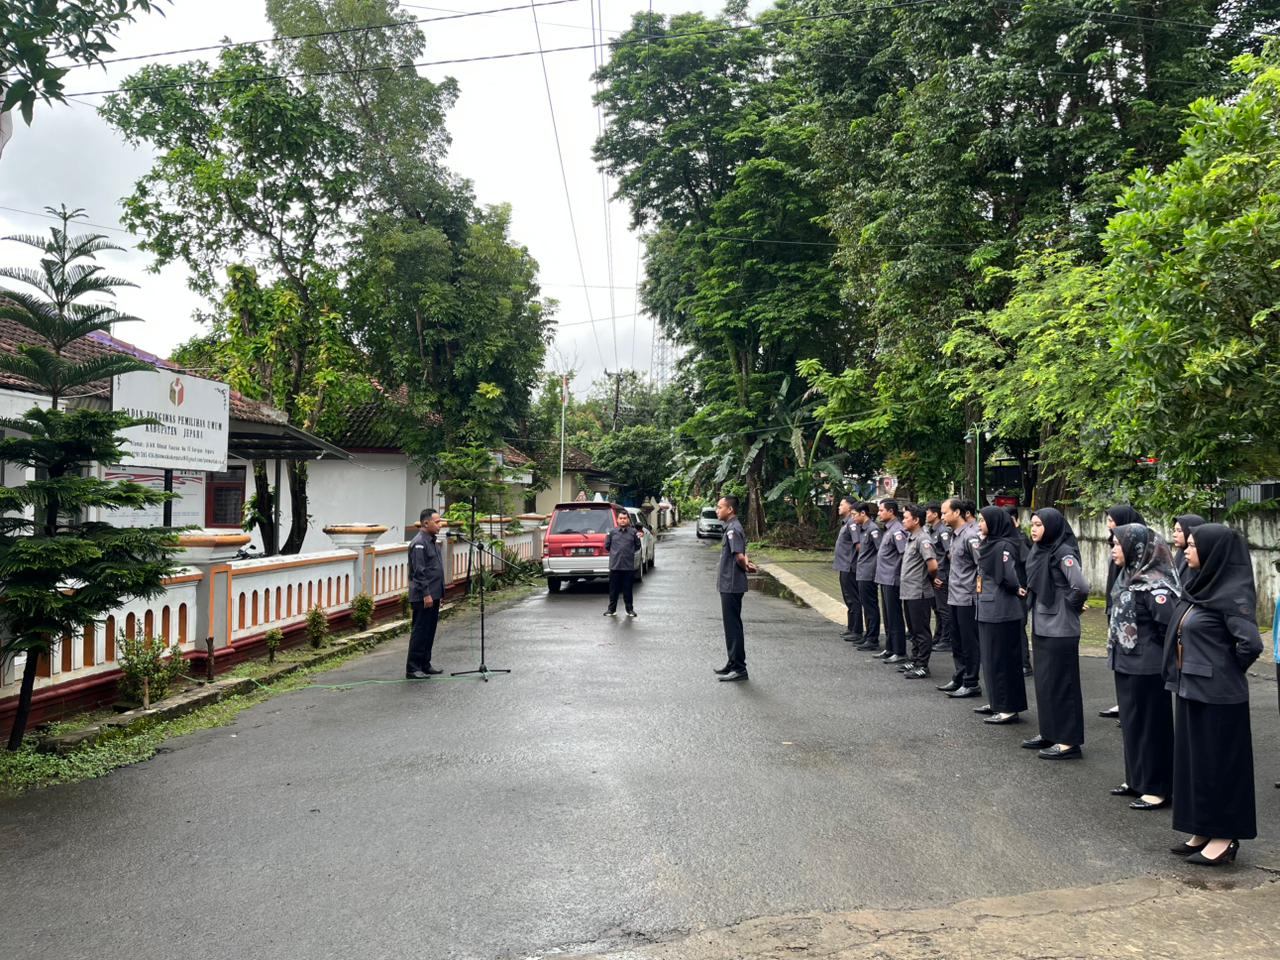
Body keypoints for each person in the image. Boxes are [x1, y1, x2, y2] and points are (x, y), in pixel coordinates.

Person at [1166, 523, 1262, 864]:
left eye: (1192, 545)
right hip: (1193, 689)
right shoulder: (1200, 588)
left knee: (1220, 767)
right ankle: (1201, 828)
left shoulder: (1232, 594)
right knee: (1196, 767)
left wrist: (1222, 669)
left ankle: (1224, 837)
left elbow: (1250, 644)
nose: (1186, 550)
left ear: (1212, 552)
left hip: (1220, 695)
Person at [1106, 523, 1179, 806]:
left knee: (1151, 727)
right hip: (1125, 663)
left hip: (1147, 667)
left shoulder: (1156, 585)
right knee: (1133, 724)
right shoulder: (1128, 577)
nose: (1113, 550)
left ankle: (1157, 787)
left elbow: (1169, 628)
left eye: (1116, 544)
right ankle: (1136, 779)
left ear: (1135, 549)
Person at [1023, 508, 1088, 759]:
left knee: (1063, 685)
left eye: (1039, 524)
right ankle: (1049, 732)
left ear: (1051, 526)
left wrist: (1068, 604)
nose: (1034, 529)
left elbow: (1081, 586)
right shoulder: (1040, 551)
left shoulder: (1063, 551)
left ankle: (1069, 742)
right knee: (1046, 684)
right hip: (1042, 625)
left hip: (1061, 628)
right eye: (1033, 524)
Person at [974, 506, 1028, 725]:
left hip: (1001, 610)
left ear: (995, 522)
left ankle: (1008, 707)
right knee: (989, 659)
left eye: (982, 521)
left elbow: (1008, 576)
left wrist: (1016, 589)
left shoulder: (1004, 545)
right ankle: (996, 700)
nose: (979, 525)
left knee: (1003, 659)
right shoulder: (990, 544)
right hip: (987, 608)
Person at [1099, 504, 1146, 719]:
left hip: (1132, 613)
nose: (1109, 525)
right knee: (1118, 657)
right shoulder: (1117, 544)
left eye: (1111, 520)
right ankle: (1123, 703)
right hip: (1115, 606)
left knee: (1131, 659)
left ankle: (1131, 706)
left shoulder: (1137, 545)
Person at [938, 497, 983, 699]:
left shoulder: (971, 536)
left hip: (967, 597)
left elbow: (982, 566)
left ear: (957, 513)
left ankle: (971, 682)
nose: (942, 516)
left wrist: (978, 592)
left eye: (945, 512)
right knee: (956, 640)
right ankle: (959, 676)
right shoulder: (954, 535)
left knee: (969, 642)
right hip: (954, 595)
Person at [713, 495, 758, 682]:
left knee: (733, 627)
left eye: (719, 507)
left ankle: (739, 668)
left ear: (730, 509)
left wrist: (746, 566)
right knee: (730, 626)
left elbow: (739, 556)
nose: (717, 510)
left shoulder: (733, 529)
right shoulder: (732, 527)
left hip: (731, 584)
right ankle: (732, 663)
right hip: (728, 584)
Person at [899, 503, 939, 678]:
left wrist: (930, 579)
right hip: (908, 591)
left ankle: (923, 665)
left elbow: (933, 565)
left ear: (916, 520)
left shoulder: (923, 539)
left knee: (921, 629)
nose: (903, 520)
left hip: (919, 592)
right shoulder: (912, 538)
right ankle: (915, 660)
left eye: (906, 518)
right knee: (913, 629)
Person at [406, 507, 446, 679]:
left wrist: (438, 594)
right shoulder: (419, 543)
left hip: (433, 594)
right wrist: (426, 594)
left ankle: (425, 663)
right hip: (424, 595)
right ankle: (413, 668)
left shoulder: (431, 541)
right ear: (425, 523)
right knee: (420, 631)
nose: (440, 525)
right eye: (437, 522)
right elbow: (419, 572)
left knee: (430, 631)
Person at [873, 499, 909, 663]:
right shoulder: (889, 529)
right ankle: (890, 647)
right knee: (887, 615)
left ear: (891, 512)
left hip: (892, 578)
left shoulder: (897, 530)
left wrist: (897, 574)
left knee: (894, 616)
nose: (879, 513)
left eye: (881, 511)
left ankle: (899, 650)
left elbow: (903, 554)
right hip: (884, 578)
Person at [1007, 504, 1034, 677]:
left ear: (1015, 521)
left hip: (1020, 591)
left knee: (1018, 627)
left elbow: (1029, 565)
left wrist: (1024, 587)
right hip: (1011, 590)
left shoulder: (1020, 539)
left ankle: (1024, 664)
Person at [853, 502, 882, 652]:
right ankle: (868, 634)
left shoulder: (873, 529)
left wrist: (875, 569)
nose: (853, 518)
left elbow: (880, 551)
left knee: (870, 606)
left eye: (855, 515)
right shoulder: (863, 529)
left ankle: (873, 638)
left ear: (863, 513)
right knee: (865, 604)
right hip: (862, 572)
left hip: (868, 573)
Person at [833, 496, 862, 643]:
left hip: (849, 566)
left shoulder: (852, 524)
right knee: (848, 598)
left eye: (841, 504)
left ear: (850, 508)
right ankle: (851, 628)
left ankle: (856, 630)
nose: (839, 506)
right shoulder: (847, 523)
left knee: (853, 598)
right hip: (843, 565)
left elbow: (859, 545)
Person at [603, 511, 642, 618]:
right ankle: (611, 610)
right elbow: (607, 546)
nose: (623, 520)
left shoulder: (633, 532)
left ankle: (629, 610)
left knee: (627, 589)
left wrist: (628, 553)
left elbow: (637, 546)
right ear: (617, 520)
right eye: (621, 518)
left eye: (625, 518)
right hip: (615, 566)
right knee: (613, 590)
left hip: (628, 566)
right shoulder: (612, 532)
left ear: (628, 520)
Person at [926, 501, 953, 653]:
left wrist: (942, 575)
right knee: (937, 608)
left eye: (928, 512)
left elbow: (949, 554)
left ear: (935, 514)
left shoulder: (943, 531)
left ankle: (946, 639)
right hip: (935, 575)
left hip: (942, 576)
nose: (926, 515)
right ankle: (938, 635)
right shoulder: (932, 530)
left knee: (944, 609)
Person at [1171, 513, 1206, 582]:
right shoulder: (1180, 554)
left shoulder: (1198, 560)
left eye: (1179, 531)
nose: (1174, 534)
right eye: (1174, 530)